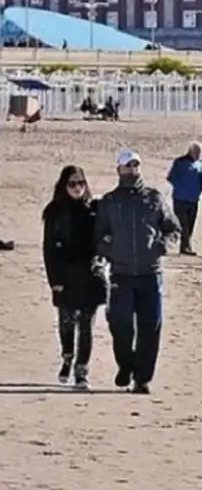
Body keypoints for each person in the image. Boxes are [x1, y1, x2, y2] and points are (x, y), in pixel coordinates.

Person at [96, 150, 181, 395]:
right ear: (118, 169)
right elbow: (98, 237)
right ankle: (126, 365)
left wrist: (162, 245)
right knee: (120, 324)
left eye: (136, 165)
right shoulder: (110, 202)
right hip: (121, 274)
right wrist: (109, 249)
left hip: (150, 273)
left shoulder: (154, 198)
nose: (132, 169)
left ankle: (142, 379)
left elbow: (172, 227)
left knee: (150, 325)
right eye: (127, 165)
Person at [42, 165, 108, 389]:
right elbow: (48, 250)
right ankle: (67, 357)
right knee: (66, 323)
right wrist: (54, 281)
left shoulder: (95, 208)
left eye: (81, 183)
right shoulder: (54, 212)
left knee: (87, 326)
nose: (78, 188)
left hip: (91, 275)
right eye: (72, 184)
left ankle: (82, 371)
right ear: (64, 186)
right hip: (65, 276)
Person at [166, 141, 202, 255]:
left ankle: (185, 246)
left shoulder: (200, 165)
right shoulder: (180, 162)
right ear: (190, 151)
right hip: (180, 198)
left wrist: (199, 190)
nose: (198, 155)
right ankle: (185, 247)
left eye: (200, 153)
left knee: (191, 223)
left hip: (194, 199)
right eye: (196, 152)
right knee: (183, 224)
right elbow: (171, 177)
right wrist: (181, 188)